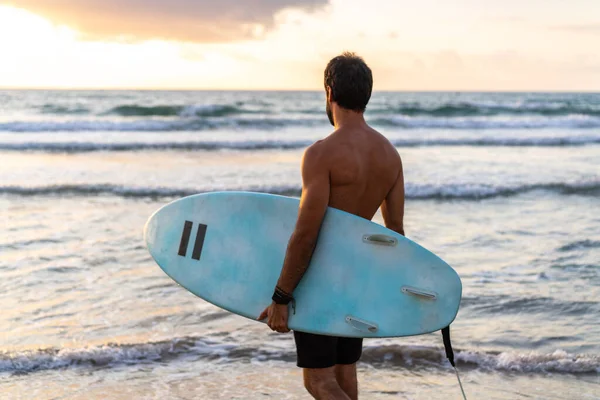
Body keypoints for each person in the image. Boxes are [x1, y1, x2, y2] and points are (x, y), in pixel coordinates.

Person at [258, 52, 405, 400]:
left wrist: (281, 296)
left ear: (329, 91)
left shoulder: (321, 154)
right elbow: (394, 234)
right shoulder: (390, 155)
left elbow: (306, 233)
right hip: (356, 279)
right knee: (344, 373)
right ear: (366, 95)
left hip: (321, 282)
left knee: (318, 382)